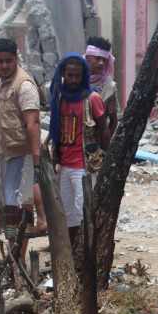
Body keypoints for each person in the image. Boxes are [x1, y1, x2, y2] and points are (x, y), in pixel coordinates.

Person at [0, 38, 42, 253]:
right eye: (0, 61)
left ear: (16, 58)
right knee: (6, 206)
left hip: (20, 155)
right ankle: (13, 254)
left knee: (19, 205)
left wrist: (36, 159)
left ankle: (18, 257)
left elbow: (32, 122)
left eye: (8, 61)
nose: (4, 65)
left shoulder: (24, 85)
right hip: (0, 154)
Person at [49, 53, 111, 259]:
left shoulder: (92, 99)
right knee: (68, 212)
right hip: (65, 164)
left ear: (83, 75)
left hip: (85, 164)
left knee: (83, 209)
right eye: (69, 76)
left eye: (77, 76)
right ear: (63, 75)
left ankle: (86, 253)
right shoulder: (60, 97)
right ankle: (73, 253)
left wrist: (107, 160)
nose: (73, 80)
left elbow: (104, 129)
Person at [85, 36, 118, 138]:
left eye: (104, 60)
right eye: (98, 58)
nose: (101, 63)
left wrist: (104, 146)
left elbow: (113, 121)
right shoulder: (73, 78)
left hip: (95, 142)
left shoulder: (109, 87)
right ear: (87, 57)